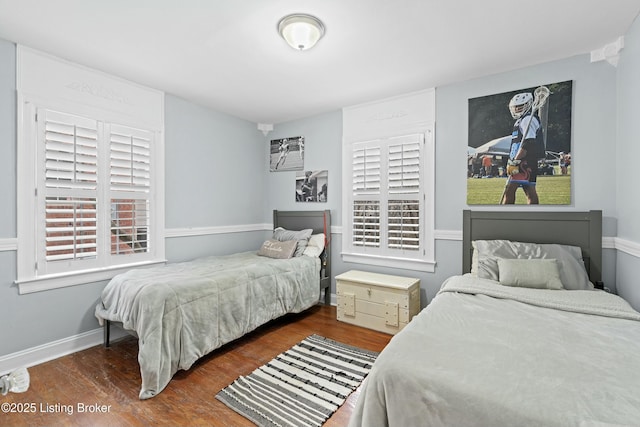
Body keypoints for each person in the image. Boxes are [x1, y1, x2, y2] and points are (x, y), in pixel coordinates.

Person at [501, 92, 543, 204]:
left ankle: (506, 215)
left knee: (510, 190)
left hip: (524, 161)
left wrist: (516, 160)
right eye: (516, 107)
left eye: (520, 106)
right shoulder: (521, 120)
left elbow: (528, 142)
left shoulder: (528, 119)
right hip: (520, 160)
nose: (517, 109)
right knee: (528, 190)